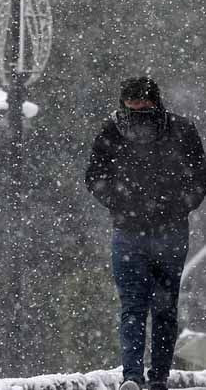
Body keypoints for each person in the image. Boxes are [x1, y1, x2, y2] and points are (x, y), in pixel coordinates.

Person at [85, 77, 206, 390]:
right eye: (133, 105)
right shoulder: (178, 130)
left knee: (142, 308)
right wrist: (172, 206)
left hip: (144, 230)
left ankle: (145, 376)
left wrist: (128, 204)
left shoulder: (114, 131)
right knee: (150, 307)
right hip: (148, 229)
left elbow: (198, 180)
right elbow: (96, 176)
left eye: (143, 105)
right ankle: (143, 376)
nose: (138, 111)